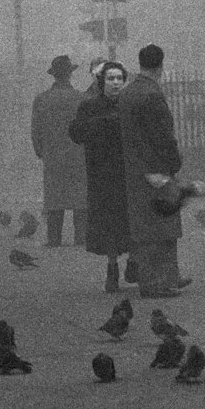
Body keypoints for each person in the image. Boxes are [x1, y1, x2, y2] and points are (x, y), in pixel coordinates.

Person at [120, 43, 189, 299]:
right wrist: (173, 162)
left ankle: (164, 277)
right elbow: (163, 135)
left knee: (146, 226)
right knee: (163, 226)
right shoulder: (151, 95)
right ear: (160, 65)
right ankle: (157, 282)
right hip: (156, 170)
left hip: (134, 168)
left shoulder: (128, 93)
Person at [67, 59, 130, 291]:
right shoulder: (90, 106)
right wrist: (102, 124)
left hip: (127, 172)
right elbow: (76, 132)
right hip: (102, 174)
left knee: (131, 220)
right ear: (102, 81)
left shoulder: (130, 105)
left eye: (119, 79)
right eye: (111, 78)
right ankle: (112, 268)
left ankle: (133, 262)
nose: (115, 83)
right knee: (110, 225)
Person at [30, 55, 88, 247]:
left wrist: (41, 151)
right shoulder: (81, 99)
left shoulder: (42, 100)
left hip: (53, 156)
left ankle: (54, 238)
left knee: (54, 198)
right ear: (70, 74)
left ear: (54, 75)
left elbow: (36, 131)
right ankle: (81, 237)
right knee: (80, 198)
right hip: (78, 155)